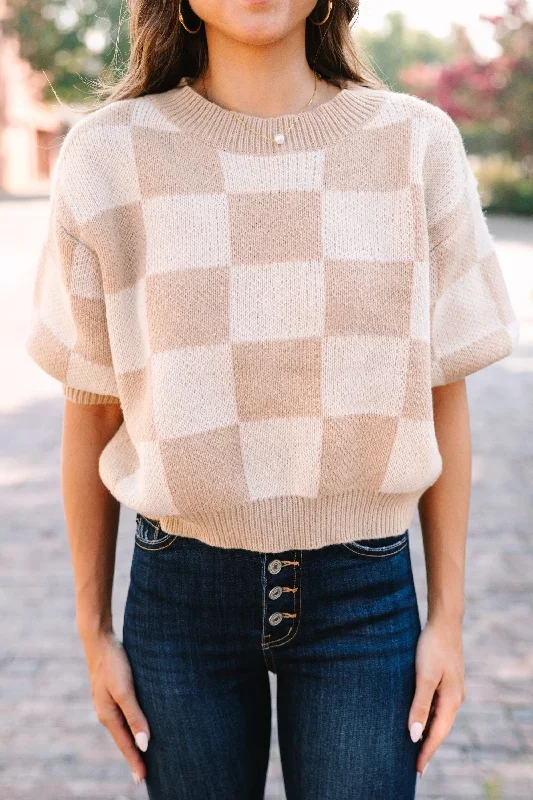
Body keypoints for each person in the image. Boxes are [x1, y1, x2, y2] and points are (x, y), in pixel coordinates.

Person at [25, 0, 520, 796]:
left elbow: (442, 396)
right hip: (178, 595)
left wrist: (446, 623)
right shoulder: (106, 157)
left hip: (365, 598)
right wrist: (93, 633)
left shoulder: (414, 144)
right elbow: (90, 408)